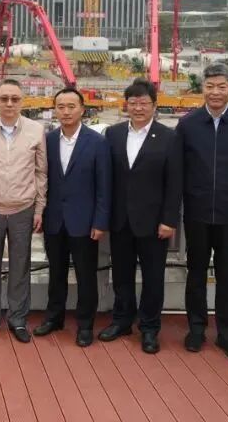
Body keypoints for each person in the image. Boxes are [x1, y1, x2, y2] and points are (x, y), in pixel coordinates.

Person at [176, 64, 228, 361]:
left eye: (222, 86)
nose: (216, 92)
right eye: (210, 86)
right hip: (196, 213)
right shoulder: (188, 124)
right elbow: (179, 169)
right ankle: (196, 329)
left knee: (227, 275)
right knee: (195, 273)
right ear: (203, 89)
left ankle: (226, 333)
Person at [99, 79, 182, 354]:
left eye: (143, 103)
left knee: (153, 277)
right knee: (121, 275)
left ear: (154, 106)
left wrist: (169, 220)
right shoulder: (113, 134)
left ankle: (149, 327)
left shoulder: (169, 137)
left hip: (154, 222)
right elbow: (107, 178)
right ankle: (122, 320)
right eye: (132, 103)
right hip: (120, 220)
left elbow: (174, 183)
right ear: (126, 106)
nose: (138, 108)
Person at [35, 87, 111, 347]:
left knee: (86, 276)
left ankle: (85, 325)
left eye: (71, 106)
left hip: (85, 222)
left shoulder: (97, 142)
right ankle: (54, 318)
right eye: (61, 107)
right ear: (55, 110)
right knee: (55, 273)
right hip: (54, 220)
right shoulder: (47, 140)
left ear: (82, 109)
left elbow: (104, 186)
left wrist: (100, 221)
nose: (66, 111)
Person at [0, 79, 47, 343]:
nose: (9, 104)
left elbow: (41, 173)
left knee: (20, 267)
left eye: (14, 99)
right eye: (4, 99)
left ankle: (18, 319)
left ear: (22, 101)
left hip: (23, 209)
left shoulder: (36, 131)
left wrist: (39, 208)